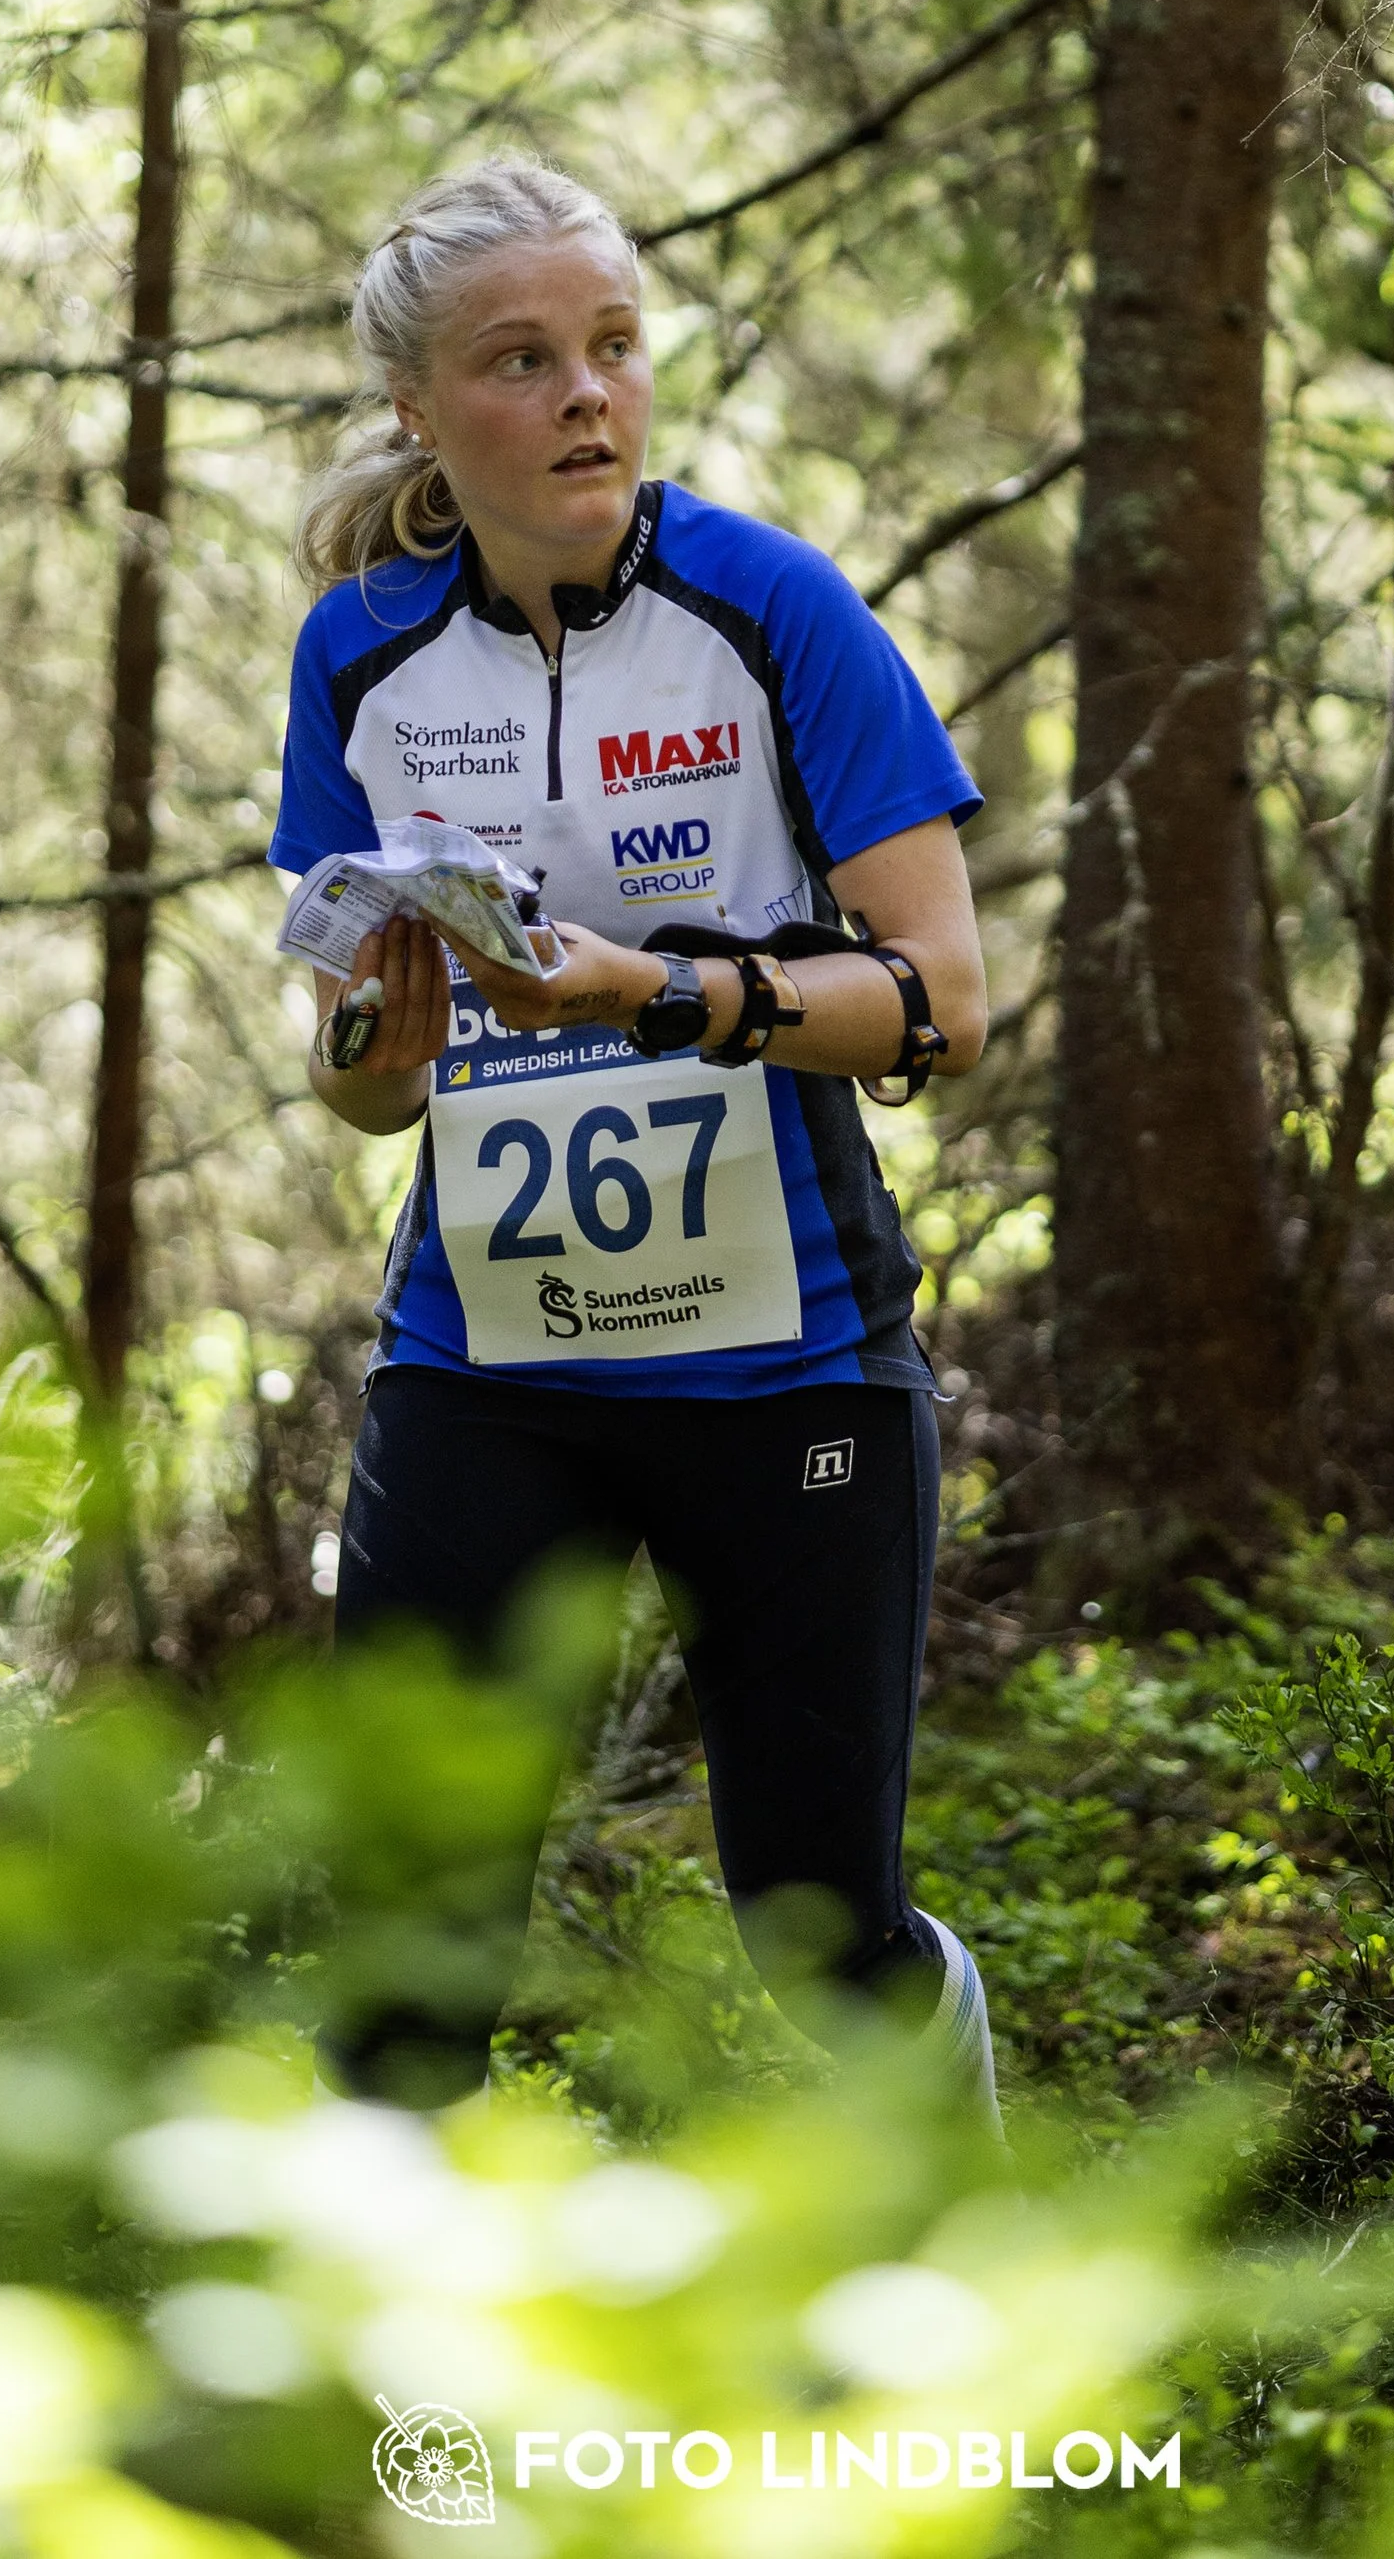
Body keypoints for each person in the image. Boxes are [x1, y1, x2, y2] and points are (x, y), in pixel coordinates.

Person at [271, 151, 999, 2123]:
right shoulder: (359, 653)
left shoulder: (768, 609)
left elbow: (943, 999)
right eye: (522, 358)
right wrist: (377, 1030)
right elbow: (356, 1082)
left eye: (610, 346)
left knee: (812, 1925)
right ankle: (385, 2427)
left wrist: (657, 993)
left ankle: (965, 2342)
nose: (586, 392)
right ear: (420, 410)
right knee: (410, 1948)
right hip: (485, 1370)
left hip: (785, 1368)